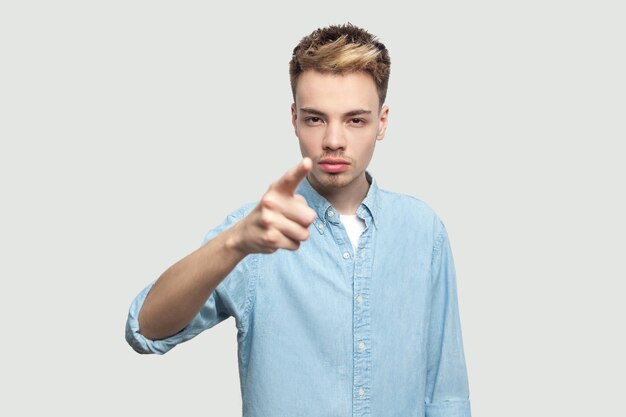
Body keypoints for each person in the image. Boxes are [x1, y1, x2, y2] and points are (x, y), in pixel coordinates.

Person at [126, 23, 471, 417]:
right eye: (315, 119)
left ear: (383, 122)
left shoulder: (424, 231)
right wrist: (235, 242)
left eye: (355, 120)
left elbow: (445, 394)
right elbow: (145, 329)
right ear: (294, 118)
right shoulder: (257, 231)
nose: (334, 140)